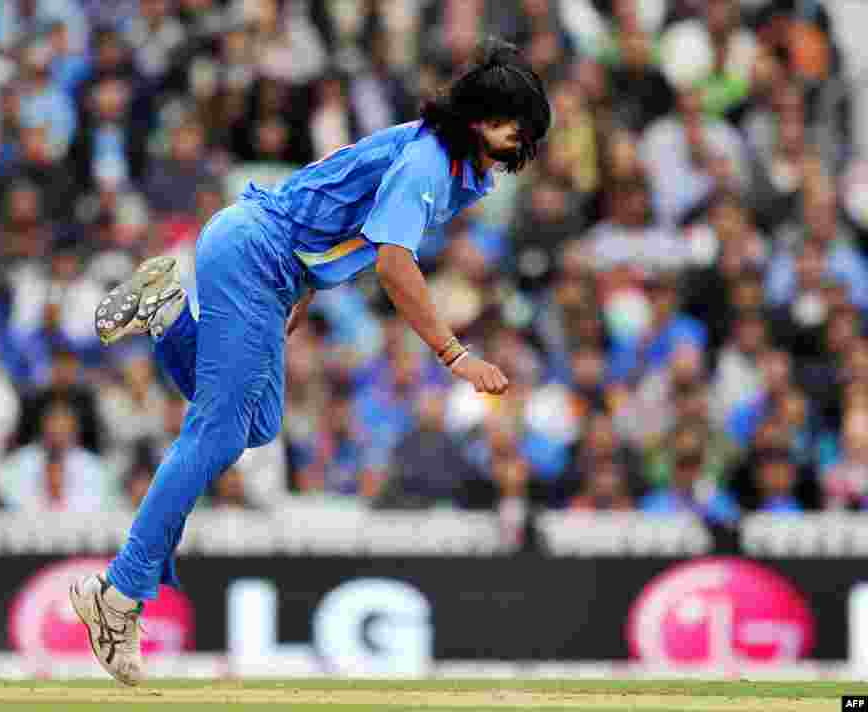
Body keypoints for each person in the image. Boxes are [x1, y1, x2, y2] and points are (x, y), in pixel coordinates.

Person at [68, 39, 551, 686]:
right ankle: (119, 594)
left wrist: (302, 289)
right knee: (213, 434)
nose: (522, 145)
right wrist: (453, 354)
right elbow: (392, 263)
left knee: (255, 428)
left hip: (268, 265)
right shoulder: (429, 163)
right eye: (515, 127)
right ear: (479, 118)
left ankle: (165, 310)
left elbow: (341, 213)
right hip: (254, 256)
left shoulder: (451, 163)